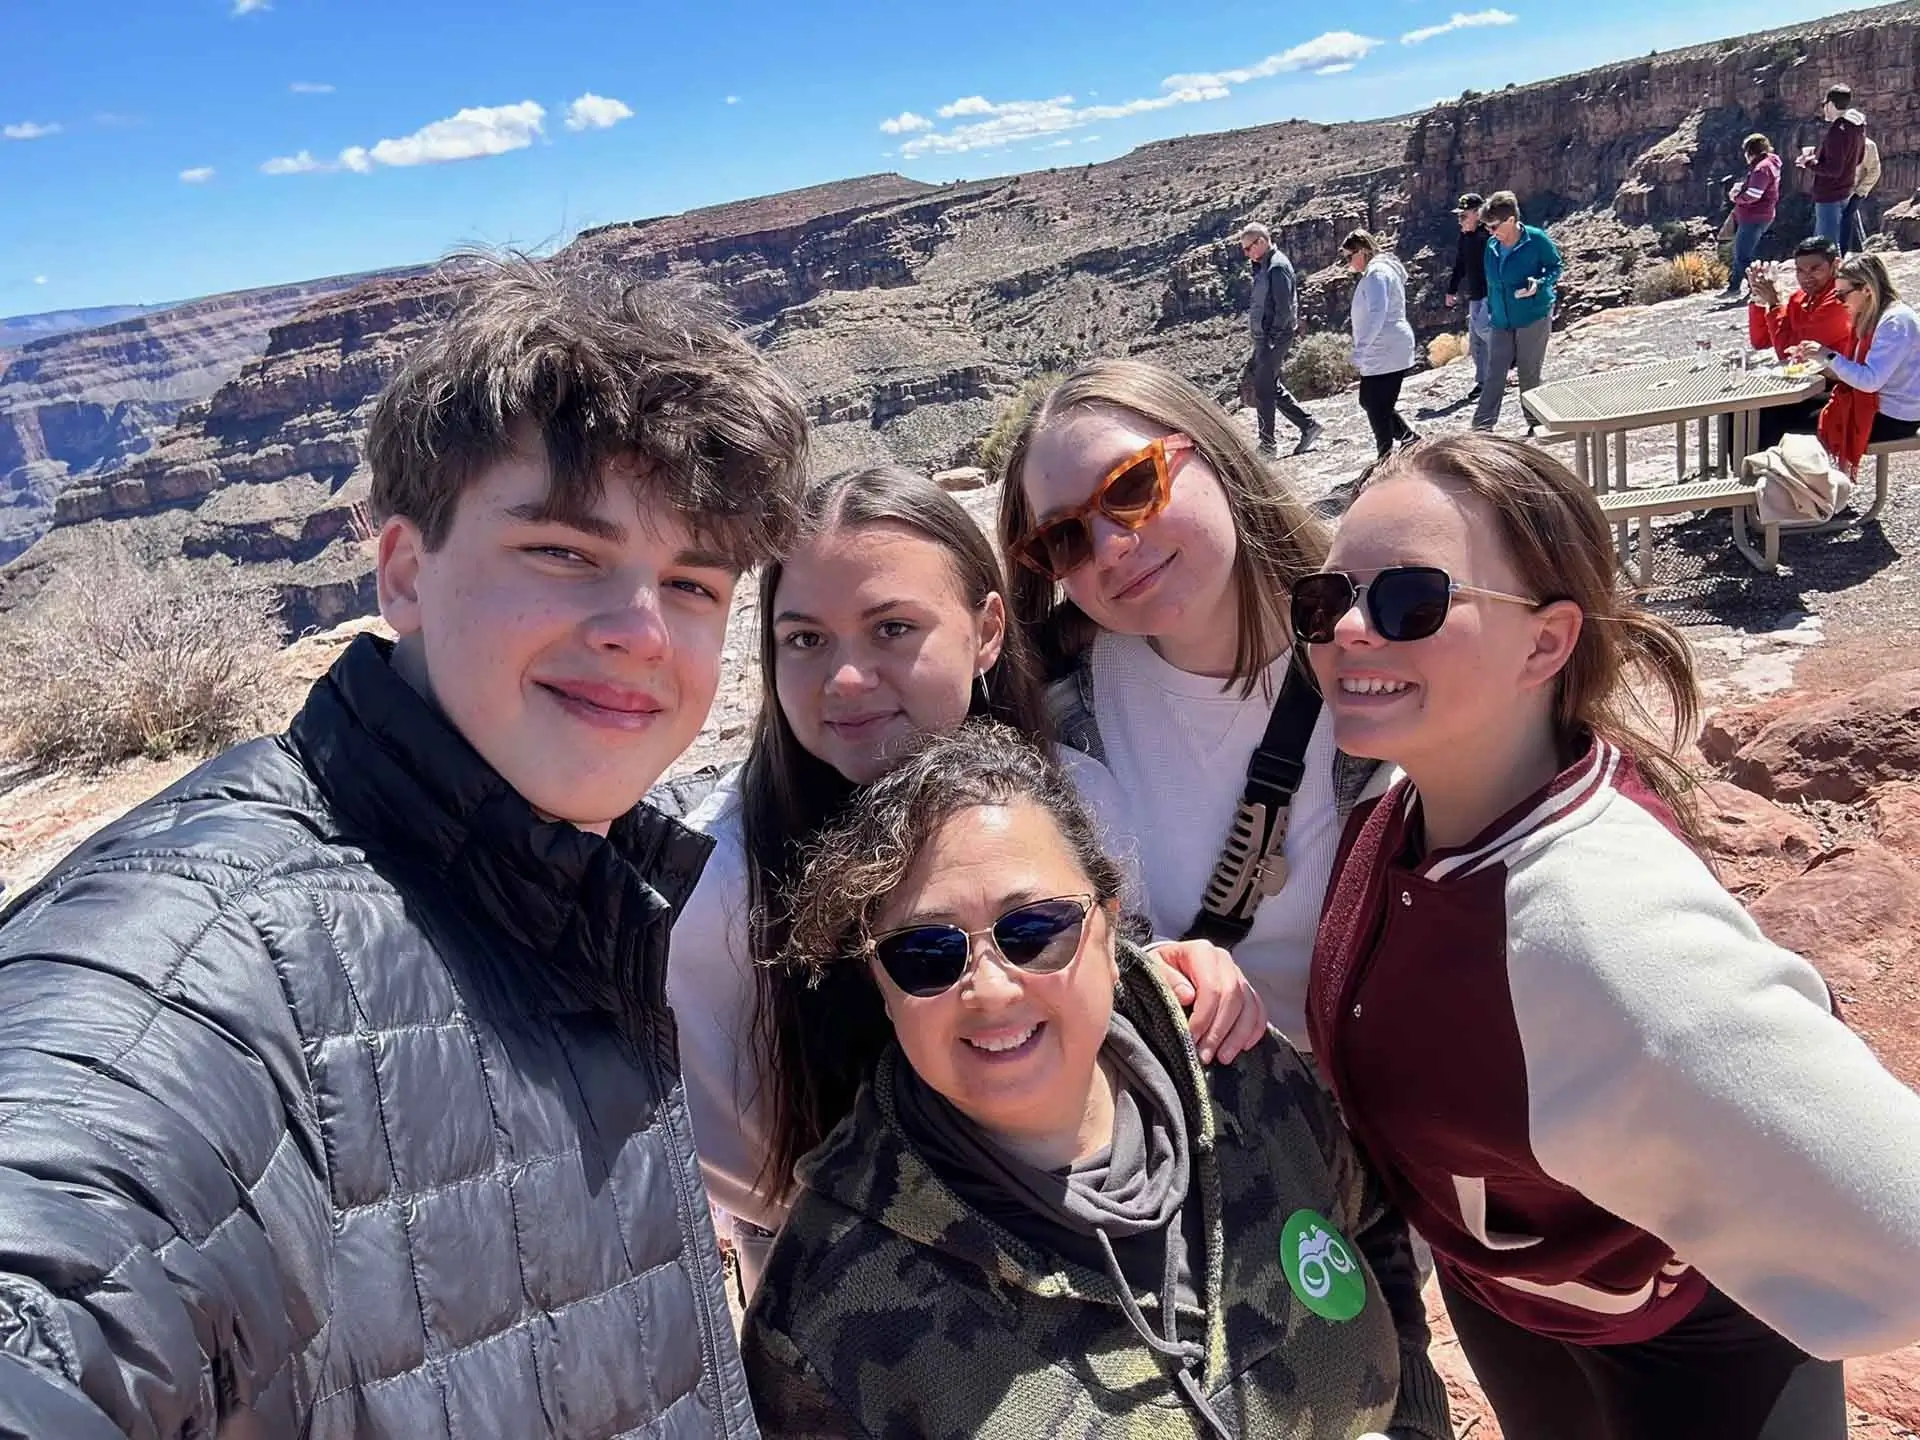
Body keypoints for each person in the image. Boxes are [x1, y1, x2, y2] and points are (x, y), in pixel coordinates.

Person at [0, 257, 813, 1435]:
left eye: (691, 582)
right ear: (403, 572)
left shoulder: (579, 894)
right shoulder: (213, 960)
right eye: (566, 554)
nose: (641, 633)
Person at [1298, 433, 1920, 1440]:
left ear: (1545, 644)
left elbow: (1899, 1226)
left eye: (1411, 600)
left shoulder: (1602, 931)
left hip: (1696, 1347)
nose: (1351, 632)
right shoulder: (1397, 805)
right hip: (1513, 1299)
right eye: (1326, 602)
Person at [741, 722, 1453, 1440]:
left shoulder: (1244, 1071)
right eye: (927, 953)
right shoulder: (824, 1311)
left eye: (1034, 929)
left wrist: (1418, 1424)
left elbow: (1369, 1232)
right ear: (883, 987)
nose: (990, 989)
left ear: (1109, 932)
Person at [666, 465, 1267, 1300]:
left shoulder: (1078, 797)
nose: (845, 679)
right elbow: (732, 1159)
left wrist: (1178, 979)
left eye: (893, 629)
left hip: (1104, 1244)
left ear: (987, 632)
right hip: (858, 1295)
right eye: (805, 639)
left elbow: (1112, 1009)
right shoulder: (722, 886)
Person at [997, 360, 1384, 1052]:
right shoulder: (1056, 716)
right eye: (1065, 539)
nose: (1111, 547)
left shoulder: (1390, 636)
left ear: (1213, 450)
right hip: (1242, 1123)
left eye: (1134, 485)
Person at [1745, 236, 1854, 450]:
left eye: (1815, 269)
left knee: (1762, 415)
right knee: (1739, 410)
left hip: (1837, 388)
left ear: (1835, 265)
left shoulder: (1839, 300)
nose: (1807, 277)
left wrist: (1775, 303)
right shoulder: (1799, 299)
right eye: (1800, 271)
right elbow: (1761, 341)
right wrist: (1759, 300)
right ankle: (1745, 474)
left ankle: (1771, 477)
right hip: (1808, 385)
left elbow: (1791, 353)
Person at [1801, 251, 1920, 447]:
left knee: (1781, 422)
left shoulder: (1895, 322)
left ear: (1866, 290)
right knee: (1781, 409)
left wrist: (1827, 355)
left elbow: (1870, 380)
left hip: (1895, 416)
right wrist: (1820, 359)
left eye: (1842, 296)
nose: (1840, 302)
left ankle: (1777, 476)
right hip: (1877, 403)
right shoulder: (1876, 315)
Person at [1471, 191, 1561, 436]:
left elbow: (1555, 267)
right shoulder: (1492, 245)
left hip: (1532, 315)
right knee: (1494, 373)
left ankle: (1536, 423)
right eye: (1486, 226)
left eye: (1493, 226)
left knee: (1528, 372)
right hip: (1501, 318)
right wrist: (1491, 310)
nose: (1490, 231)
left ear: (1510, 220)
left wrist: (1538, 284)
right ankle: (1481, 428)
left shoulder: (1536, 239)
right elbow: (1492, 282)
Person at [1238, 221, 1324, 458]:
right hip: (1265, 337)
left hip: (1274, 337)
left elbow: (1284, 308)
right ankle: (1308, 425)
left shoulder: (1277, 267)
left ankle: (1268, 446)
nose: (1246, 253)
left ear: (1262, 242)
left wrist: (1273, 338)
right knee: (1268, 384)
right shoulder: (1263, 265)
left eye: (1248, 248)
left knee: (1264, 390)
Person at [1343, 229, 1419, 461]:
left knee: (1379, 406)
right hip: (1384, 348)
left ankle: (1385, 456)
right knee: (1369, 400)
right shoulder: (1376, 272)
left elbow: (1378, 313)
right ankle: (1409, 439)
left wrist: (1361, 350)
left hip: (1386, 348)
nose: (1348, 262)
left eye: (1350, 256)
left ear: (1363, 251)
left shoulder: (1376, 274)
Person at [1795, 84, 1866, 248]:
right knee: (1849, 243)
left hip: (1829, 195)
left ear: (1831, 104)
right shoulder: (1857, 127)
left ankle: (1831, 273)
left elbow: (1833, 170)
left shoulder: (1837, 131)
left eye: (1824, 104)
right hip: (1846, 190)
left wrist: (1809, 162)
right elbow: (1859, 158)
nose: (1823, 109)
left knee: (1826, 246)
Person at [1445, 192, 1493, 399]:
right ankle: (1484, 382)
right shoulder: (1465, 237)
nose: (1460, 220)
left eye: (1463, 216)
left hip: (1493, 294)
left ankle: (1508, 359)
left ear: (1477, 213)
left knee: (1486, 330)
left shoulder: (1490, 236)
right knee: (1476, 342)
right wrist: (1451, 289)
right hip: (1475, 294)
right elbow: (1460, 264)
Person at [1724, 133, 1782, 299]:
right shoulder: (1771, 162)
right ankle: (1734, 286)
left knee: (1743, 255)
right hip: (1761, 215)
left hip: (1755, 216)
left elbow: (1754, 195)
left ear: (1750, 151)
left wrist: (1736, 197)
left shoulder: (1761, 168)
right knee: (1742, 251)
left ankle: (1757, 289)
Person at [1845, 135, 1882, 255]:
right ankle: (1858, 253)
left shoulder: (1868, 146)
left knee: (1847, 218)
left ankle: (1853, 253)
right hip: (1839, 191)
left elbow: (1874, 171)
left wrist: (1861, 191)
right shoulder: (1840, 141)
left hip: (1856, 191)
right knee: (1850, 219)